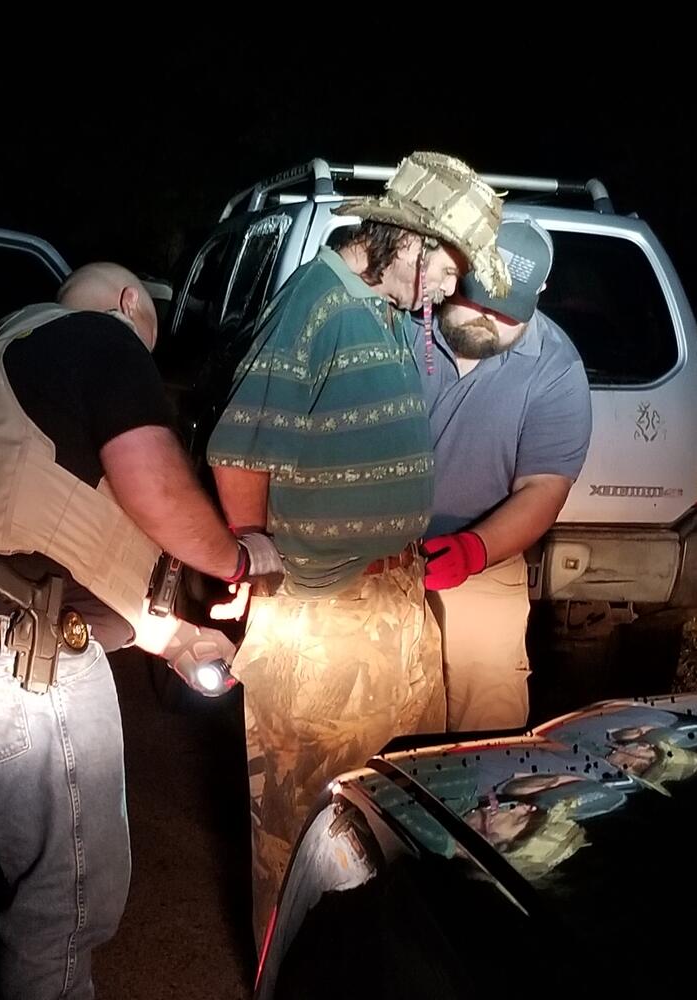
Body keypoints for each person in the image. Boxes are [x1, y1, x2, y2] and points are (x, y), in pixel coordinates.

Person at [0, 262, 280, 1000]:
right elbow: (153, 483)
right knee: (67, 901)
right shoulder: (99, 338)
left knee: (10, 881)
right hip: (24, 665)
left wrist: (171, 637)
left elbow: (53, 538)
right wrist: (238, 558)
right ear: (131, 303)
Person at [206, 151, 511, 945]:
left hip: (388, 604)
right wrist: (254, 556)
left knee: (391, 817)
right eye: (447, 264)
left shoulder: (377, 309)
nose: (451, 288)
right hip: (324, 616)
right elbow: (238, 450)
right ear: (404, 238)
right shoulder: (317, 301)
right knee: (304, 831)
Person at [410, 216, 592, 731]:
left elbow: (543, 488)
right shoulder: (401, 321)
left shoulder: (555, 368)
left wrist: (474, 548)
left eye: (504, 310)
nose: (484, 318)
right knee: (372, 718)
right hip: (369, 554)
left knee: (486, 725)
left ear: (541, 295)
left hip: (483, 562)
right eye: (475, 297)